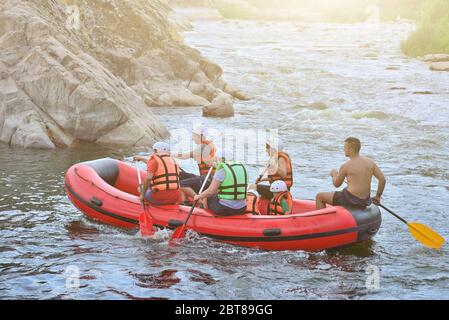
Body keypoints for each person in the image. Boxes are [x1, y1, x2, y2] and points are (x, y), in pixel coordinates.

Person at [315, 137, 386, 210]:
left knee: (319, 196)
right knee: (346, 189)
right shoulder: (370, 162)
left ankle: (321, 220)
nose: (343, 150)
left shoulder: (346, 166)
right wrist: (378, 196)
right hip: (365, 200)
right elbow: (382, 179)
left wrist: (334, 174)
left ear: (351, 150)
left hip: (350, 200)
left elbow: (337, 184)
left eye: (345, 148)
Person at [193, 150, 248, 216]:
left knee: (206, 197)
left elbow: (210, 191)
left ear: (222, 159)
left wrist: (198, 196)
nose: (216, 160)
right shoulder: (241, 168)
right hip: (242, 208)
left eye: (217, 158)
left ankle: (206, 217)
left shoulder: (222, 171)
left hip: (225, 209)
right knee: (214, 193)